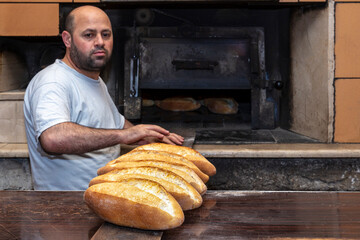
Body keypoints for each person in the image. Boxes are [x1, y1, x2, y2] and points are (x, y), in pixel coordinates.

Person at [23, 5, 184, 191]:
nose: (100, 42)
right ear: (67, 39)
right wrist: (124, 136)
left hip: (100, 198)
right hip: (66, 207)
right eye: (89, 35)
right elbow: (53, 138)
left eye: (106, 34)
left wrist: (152, 137)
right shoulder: (53, 82)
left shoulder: (94, 81)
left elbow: (118, 125)